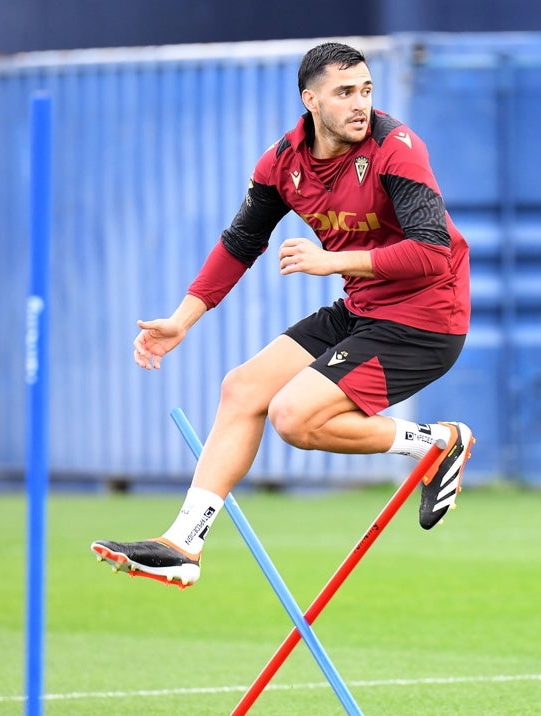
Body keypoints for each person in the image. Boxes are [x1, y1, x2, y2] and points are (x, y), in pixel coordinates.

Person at [91, 42, 474, 588]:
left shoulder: (397, 149)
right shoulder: (282, 163)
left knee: (293, 417)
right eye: (345, 93)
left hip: (427, 317)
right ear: (310, 100)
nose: (360, 103)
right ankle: (184, 545)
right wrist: (182, 318)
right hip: (366, 306)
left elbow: (433, 251)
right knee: (242, 389)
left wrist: (332, 261)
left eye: (366, 90)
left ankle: (439, 442)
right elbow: (241, 241)